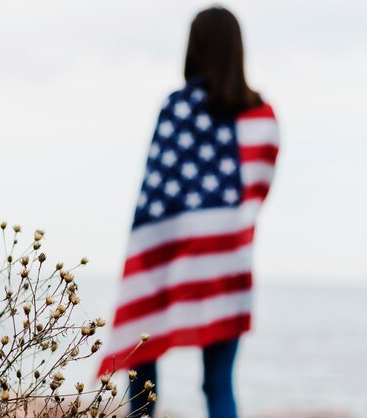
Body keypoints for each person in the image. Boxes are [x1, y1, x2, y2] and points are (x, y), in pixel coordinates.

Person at [97, 6, 279, 418]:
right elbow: (258, 192)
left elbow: (153, 195)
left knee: (142, 372)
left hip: (165, 258)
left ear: (193, 49)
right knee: (217, 385)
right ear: (238, 50)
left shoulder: (177, 108)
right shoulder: (262, 115)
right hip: (228, 262)